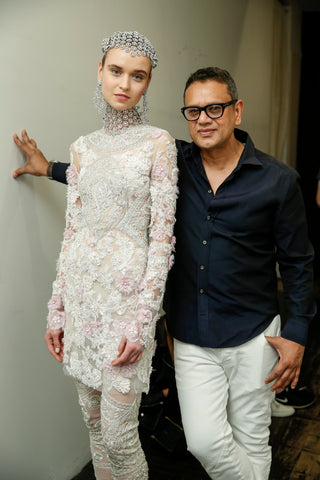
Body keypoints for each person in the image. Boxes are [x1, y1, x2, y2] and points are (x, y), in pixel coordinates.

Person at [13, 67, 316, 479]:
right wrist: (47, 167)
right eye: (193, 111)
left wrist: (297, 334)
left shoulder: (279, 181)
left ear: (237, 111)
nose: (204, 119)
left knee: (252, 437)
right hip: (190, 335)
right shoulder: (171, 160)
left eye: (214, 108)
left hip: (255, 332)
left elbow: (298, 263)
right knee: (204, 442)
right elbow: (112, 177)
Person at [13, 31, 177, 480]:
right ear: (100, 72)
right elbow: (73, 234)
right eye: (116, 71)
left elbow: (163, 241)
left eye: (137, 76)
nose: (124, 83)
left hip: (127, 311)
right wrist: (57, 310)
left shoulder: (158, 143)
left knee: (122, 435)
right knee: (94, 425)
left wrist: (143, 322)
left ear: (147, 84)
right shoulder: (82, 148)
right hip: (84, 306)